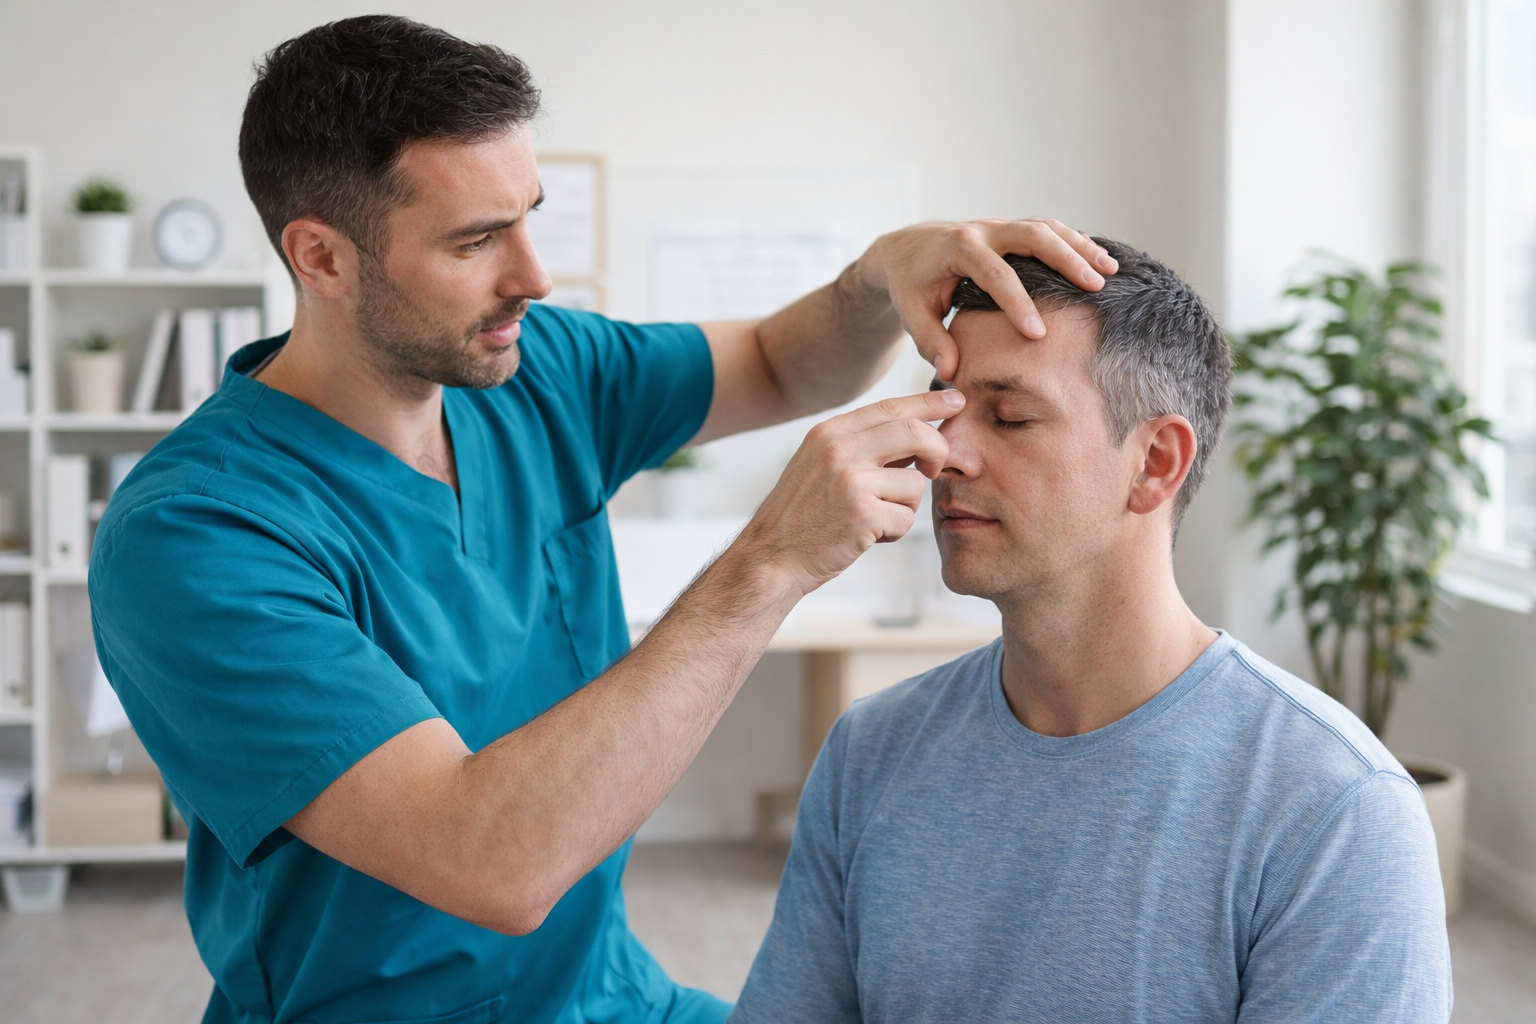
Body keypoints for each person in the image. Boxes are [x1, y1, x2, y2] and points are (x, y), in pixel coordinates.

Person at [87, 15, 1118, 1024]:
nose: (534, 276)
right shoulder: (197, 535)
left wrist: (875, 276)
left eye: (529, 216)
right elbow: (490, 860)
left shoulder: (534, 370)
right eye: (478, 240)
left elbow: (775, 361)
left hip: (609, 993)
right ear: (320, 257)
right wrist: (768, 560)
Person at [729, 239, 1453, 1024]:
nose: (942, 456)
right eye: (944, 410)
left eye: (1010, 416)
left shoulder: (1336, 811)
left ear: (1155, 464)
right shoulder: (869, 752)